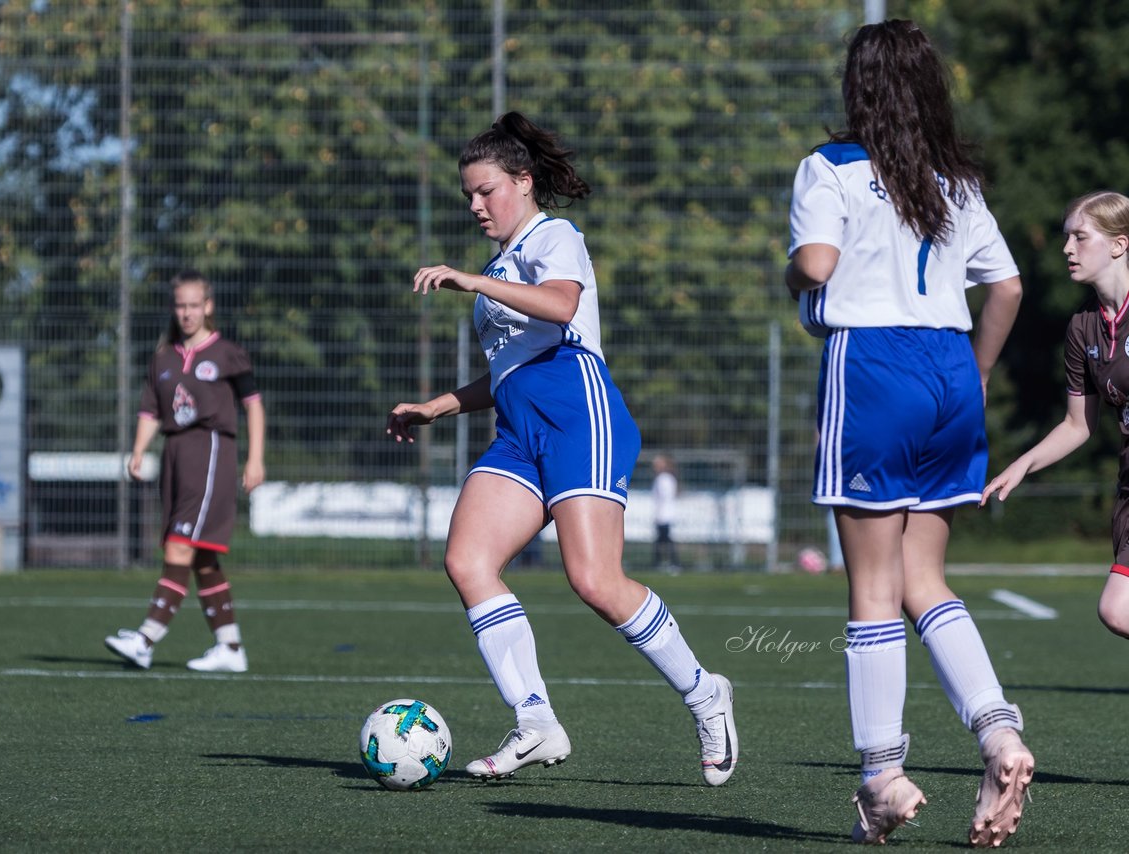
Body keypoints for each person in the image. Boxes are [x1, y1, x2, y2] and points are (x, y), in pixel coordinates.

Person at [387, 112, 737, 785]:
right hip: (520, 429)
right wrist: (439, 405)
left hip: (580, 413)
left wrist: (471, 281)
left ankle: (704, 692)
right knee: (467, 561)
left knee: (595, 581)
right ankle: (536, 721)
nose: (475, 205)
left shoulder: (554, 237)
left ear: (523, 181)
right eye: (468, 195)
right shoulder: (499, 265)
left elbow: (558, 307)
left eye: (486, 190)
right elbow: (511, 369)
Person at [784, 20, 1032, 847]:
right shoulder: (956, 179)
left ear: (859, 87)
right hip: (950, 368)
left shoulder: (832, 167)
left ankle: (883, 775)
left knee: (873, 590)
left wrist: (795, 274)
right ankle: (999, 734)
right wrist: (980, 373)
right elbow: (1006, 288)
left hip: (875, 366)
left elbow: (816, 267)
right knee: (929, 578)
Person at [982, 190, 1129, 640]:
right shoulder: (1082, 326)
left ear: (1119, 245)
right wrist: (1022, 465)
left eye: (1080, 238)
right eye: (1067, 238)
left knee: (1116, 607)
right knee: (1118, 611)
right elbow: (1077, 424)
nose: (1067, 249)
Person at [104, 270, 266, 673]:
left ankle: (145, 639)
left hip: (210, 450)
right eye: (181, 305)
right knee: (202, 558)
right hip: (175, 454)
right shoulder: (162, 356)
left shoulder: (226, 352)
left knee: (180, 546)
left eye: (195, 305)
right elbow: (151, 410)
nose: (187, 313)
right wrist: (139, 449)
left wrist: (256, 457)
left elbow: (253, 405)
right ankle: (230, 647)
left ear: (208, 306)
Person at [652, 454, 681, 572]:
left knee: (665, 540)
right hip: (663, 513)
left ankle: (672, 562)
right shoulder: (665, 478)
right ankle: (660, 562)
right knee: (662, 540)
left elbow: (664, 497)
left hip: (664, 514)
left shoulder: (664, 478)